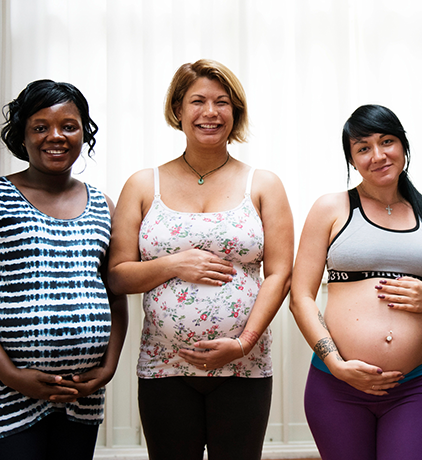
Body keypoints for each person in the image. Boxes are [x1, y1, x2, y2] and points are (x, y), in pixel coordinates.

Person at [107, 59, 293, 460]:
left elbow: (280, 274)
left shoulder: (263, 184)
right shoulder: (142, 184)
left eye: (222, 102)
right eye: (197, 101)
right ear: (177, 109)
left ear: (235, 112)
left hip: (245, 365)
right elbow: (117, 276)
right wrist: (173, 264)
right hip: (164, 366)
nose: (210, 112)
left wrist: (243, 343)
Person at [0, 80, 128, 459]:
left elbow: (115, 294)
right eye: (40, 127)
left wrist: (108, 367)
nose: (55, 136)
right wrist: (12, 376)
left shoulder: (103, 205)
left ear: (84, 132)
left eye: (69, 126)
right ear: (22, 136)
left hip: (81, 395)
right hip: (6, 391)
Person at [290, 104, 422, 460]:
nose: (377, 155)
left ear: (404, 147)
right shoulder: (331, 209)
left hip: (410, 389)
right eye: (363, 147)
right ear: (351, 159)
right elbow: (300, 297)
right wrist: (335, 362)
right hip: (337, 385)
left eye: (387, 142)